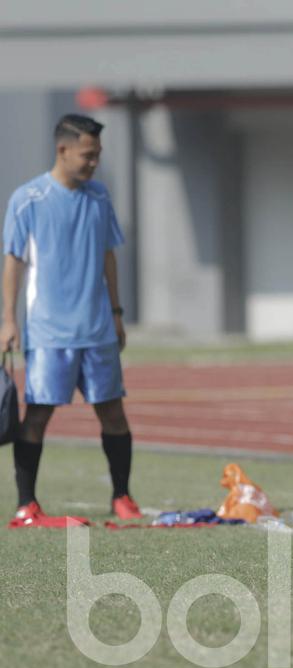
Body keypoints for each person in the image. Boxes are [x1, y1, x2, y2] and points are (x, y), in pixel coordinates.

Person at [2, 114, 140, 524]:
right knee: (39, 415)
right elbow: (13, 261)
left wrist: (116, 313)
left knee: (113, 412)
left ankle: (122, 496)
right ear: (62, 150)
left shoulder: (99, 197)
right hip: (49, 332)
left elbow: (108, 255)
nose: (94, 162)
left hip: (97, 329)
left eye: (97, 155)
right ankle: (27, 503)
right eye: (88, 154)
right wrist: (8, 320)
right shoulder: (27, 199)